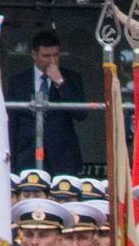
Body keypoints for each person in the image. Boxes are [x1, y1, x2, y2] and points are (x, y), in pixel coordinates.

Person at [8, 29, 87, 177]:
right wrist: (11, 161)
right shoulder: (18, 81)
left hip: (63, 158)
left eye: (56, 55)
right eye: (46, 56)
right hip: (27, 156)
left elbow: (81, 113)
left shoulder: (72, 78)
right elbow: (12, 122)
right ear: (34, 55)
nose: (52, 61)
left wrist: (60, 82)